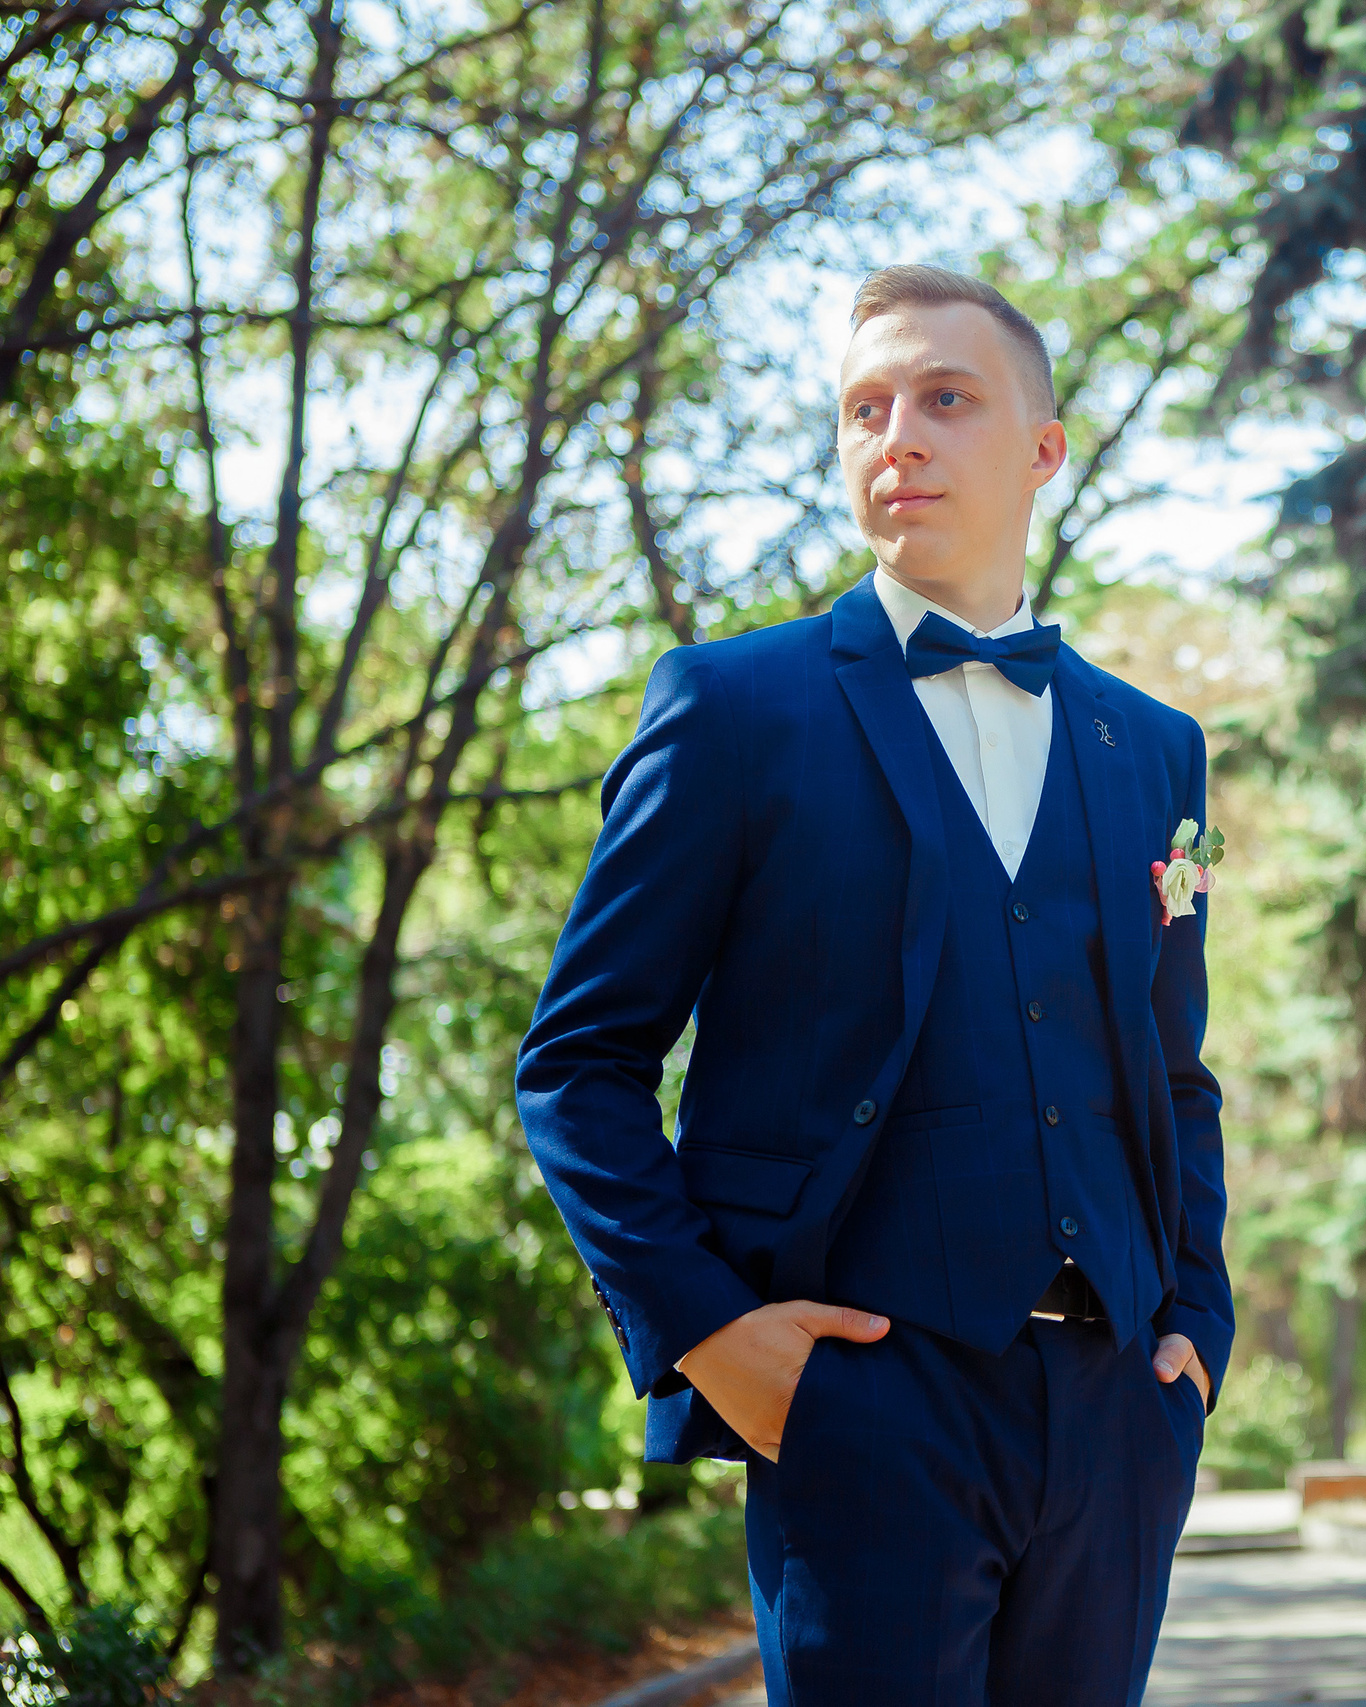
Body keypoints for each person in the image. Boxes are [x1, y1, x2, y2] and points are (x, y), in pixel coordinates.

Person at [515, 265, 1233, 1703]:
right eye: (864, 408)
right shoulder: (734, 709)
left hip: (1115, 1415)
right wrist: (709, 1335)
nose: (896, 435)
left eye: (945, 398)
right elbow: (578, 1066)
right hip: (856, 1408)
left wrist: (1197, 1329)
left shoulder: (1152, 747)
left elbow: (1172, 1074)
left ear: (1043, 447)